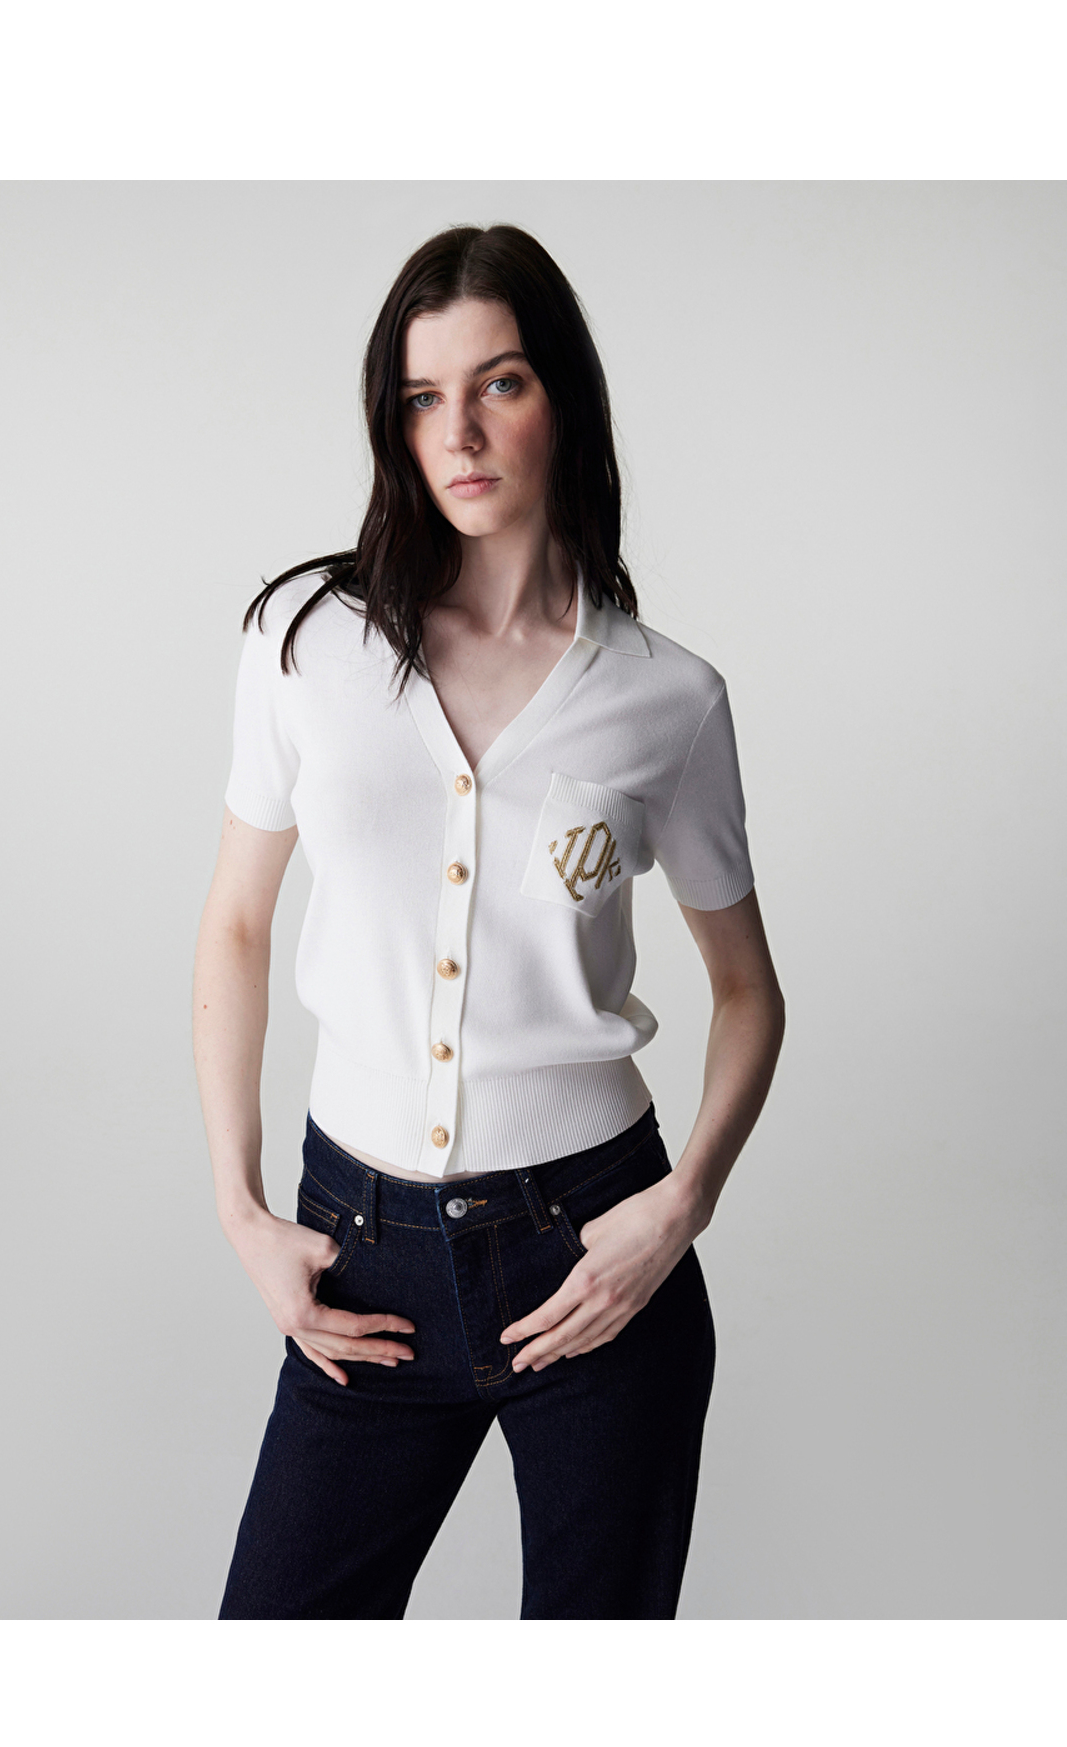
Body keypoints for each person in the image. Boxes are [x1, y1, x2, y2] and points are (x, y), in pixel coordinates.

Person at [192, 223, 785, 1620]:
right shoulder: (306, 642)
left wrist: (681, 1207)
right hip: (360, 1255)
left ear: (562, 398)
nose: (456, 433)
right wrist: (242, 1208)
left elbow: (749, 993)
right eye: (421, 397)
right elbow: (235, 927)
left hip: (594, 1255)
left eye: (499, 384)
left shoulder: (667, 700)